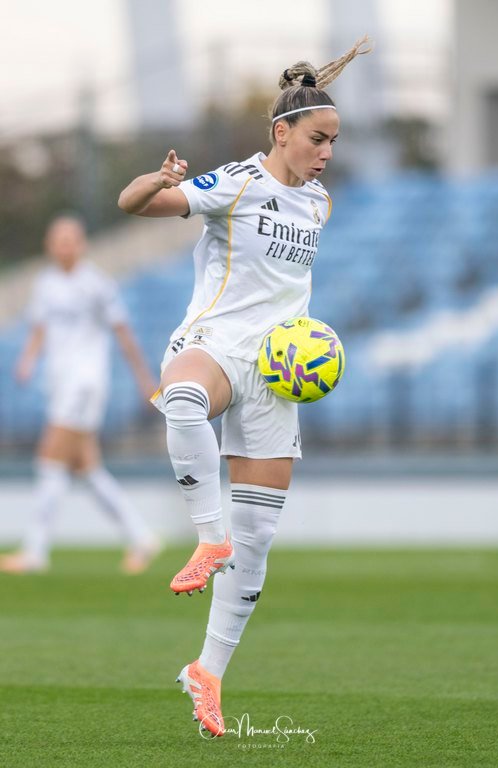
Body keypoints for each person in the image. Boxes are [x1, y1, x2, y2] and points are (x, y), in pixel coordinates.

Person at [118, 37, 371, 736]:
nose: (327, 152)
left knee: (257, 538)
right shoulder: (236, 182)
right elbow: (133, 203)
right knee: (184, 399)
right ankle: (207, 537)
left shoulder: (318, 204)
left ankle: (207, 673)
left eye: (335, 141)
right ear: (281, 133)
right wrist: (156, 179)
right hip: (216, 343)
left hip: (277, 371)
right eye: (318, 139)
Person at [0, 215, 160, 575]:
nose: (65, 247)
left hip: (85, 384)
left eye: (70, 240)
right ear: (49, 245)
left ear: (82, 244)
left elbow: (123, 332)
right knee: (87, 468)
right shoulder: (45, 283)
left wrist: (143, 379)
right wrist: (27, 359)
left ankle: (35, 552)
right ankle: (141, 537)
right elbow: (40, 328)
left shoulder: (96, 284)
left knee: (49, 459)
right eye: (59, 240)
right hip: (59, 383)